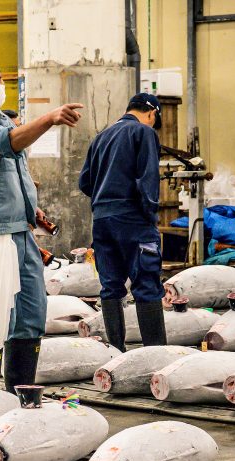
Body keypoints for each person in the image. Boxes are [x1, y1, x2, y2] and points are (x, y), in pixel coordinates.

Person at [0, 56, 83, 392]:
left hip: (21, 234)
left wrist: (30, 209)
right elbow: (5, 146)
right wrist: (50, 118)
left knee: (30, 316)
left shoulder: (3, 124)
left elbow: (14, 172)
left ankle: (21, 397)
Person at [78, 93, 166, 351]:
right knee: (146, 283)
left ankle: (115, 350)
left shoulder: (101, 137)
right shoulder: (143, 133)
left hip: (102, 220)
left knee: (111, 286)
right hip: (133, 219)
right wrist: (149, 215)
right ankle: (156, 353)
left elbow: (85, 182)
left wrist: (105, 199)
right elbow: (147, 178)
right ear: (152, 113)